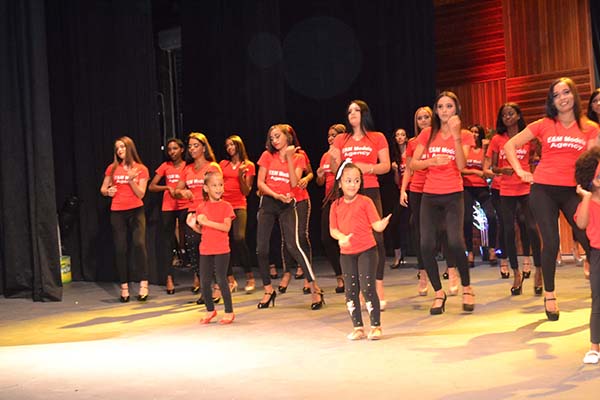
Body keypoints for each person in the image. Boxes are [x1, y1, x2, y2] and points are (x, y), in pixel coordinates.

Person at [504, 77, 599, 321]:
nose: (562, 98)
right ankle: (550, 294)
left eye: (566, 92)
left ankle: (595, 285)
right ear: (552, 101)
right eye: (556, 95)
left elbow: (592, 161)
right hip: (543, 189)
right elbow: (510, 145)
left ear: (574, 95)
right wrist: (520, 170)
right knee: (551, 241)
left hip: (572, 190)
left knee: (589, 238)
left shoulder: (589, 127)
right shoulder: (544, 124)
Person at [410, 91, 476, 314]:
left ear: (456, 109)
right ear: (436, 111)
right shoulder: (428, 133)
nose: (445, 110)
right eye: (441, 107)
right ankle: (439, 292)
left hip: (453, 194)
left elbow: (461, 166)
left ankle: (467, 287)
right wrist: (431, 161)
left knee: (456, 242)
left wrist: (456, 136)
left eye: (449, 106)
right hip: (430, 195)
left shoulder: (465, 135)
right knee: (426, 245)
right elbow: (413, 164)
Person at [330, 100, 391, 309]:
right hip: (348, 193)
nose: (352, 114)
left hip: (370, 189)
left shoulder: (377, 137)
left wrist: (368, 168)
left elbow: (385, 166)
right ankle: (362, 286)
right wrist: (333, 160)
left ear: (365, 113)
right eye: (349, 111)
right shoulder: (341, 139)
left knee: (377, 238)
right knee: (352, 238)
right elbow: (336, 171)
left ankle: (377, 285)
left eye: (356, 110)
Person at [255, 124, 324, 310]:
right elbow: (260, 183)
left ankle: (314, 288)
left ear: (287, 136)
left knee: (294, 245)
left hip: (287, 203)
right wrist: (275, 195)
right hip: (269, 202)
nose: (274, 140)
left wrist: (289, 159)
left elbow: (294, 183)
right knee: (261, 249)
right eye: (272, 138)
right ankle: (268, 290)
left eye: (278, 136)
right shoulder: (267, 156)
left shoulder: (298, 157)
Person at [329, 161, 391, 340]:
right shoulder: (335, 205)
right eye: (348, 181)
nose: (353, 185)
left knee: (367, 287)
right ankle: (358, 327)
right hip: (346, 254)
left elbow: (376, 225)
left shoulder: (366, 202)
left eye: (356, 181)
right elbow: (333, 230)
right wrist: (341, 237)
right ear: (340, 183)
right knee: (350, 290)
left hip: (367, 251)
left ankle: (376, 326)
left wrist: (382, 224)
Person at [489, 103, 541, 296]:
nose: (507, 117)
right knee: (509, 231)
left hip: (526, 187)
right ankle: (516, 273)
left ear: (519, 115)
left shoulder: (527, 137)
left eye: (511, 114)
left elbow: (537, 157)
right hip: (506, 189)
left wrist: (533, 171)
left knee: (532, 228)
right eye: (504, 115)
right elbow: (493, 167)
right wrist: (503, 170)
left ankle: (539, 271)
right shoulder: (497, 139)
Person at [100, 136, 150, 302]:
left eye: (122, 147)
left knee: (139, 244)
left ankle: (144, 283)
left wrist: (130, 181)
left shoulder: (141, 169)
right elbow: (103, 189)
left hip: (136, 210)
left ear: (130, 148)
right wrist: (108, 192)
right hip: (118, 211)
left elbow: (141, 194)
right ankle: (124, 286)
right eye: (117, 148)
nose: (120, 150)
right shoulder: (112, 168)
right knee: (120, 248)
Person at [174, 132, 221, 302]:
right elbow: (176, 191)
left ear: (204, 148)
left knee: (212, 251)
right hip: (193, 213)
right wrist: (182, 193)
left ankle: (218, 287)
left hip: (209, 213)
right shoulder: (187, 169)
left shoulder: (212, 167)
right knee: (195, 252)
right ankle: (204, 288)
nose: (192, 149)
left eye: (196, 145)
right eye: (190, 146)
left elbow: (219, 190)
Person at [186, 171, 236, 324]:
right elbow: (204, 231)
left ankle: (229, 311)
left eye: (220, 185)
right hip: (206, 249)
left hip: (222, 249)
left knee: (221, 280)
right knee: (205, 281)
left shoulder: (226, 206)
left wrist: (207, 222)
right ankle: (210, 310)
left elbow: (226, 227)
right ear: (206, 188)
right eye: (214, 185)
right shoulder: (201, 207)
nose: (218, 188)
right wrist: (193, 226)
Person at [401, 107, 433, 295]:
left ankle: (451, 268)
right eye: (419, 118)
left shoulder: (439, 139)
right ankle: (423, 273)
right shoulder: (413, 143)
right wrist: (403, 190)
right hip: (417, 189)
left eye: (426, 117)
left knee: (441, 229)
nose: (423, 120)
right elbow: (408, 169)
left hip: (436, 188)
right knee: (418, 230)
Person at [149, 138, 188, 295]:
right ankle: (169, 278)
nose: (172, 152)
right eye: (170, 149)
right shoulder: (165, 166)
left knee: (190, 240)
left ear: (182, 149)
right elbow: (152, 186)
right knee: (167, 243)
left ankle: (197, 277)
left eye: (175, 148)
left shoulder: (187, 166)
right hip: (168, 206)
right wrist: (166, 187)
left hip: (185, 205)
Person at [220, 135, 256, 294]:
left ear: (238, 146)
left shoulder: (248, 165)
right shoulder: (223, 164)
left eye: (232, 145)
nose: (229, 148)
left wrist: (241, 175)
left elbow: (246, 191)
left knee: (239, 238)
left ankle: (250, 277)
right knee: (224, 242)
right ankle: (230, 279)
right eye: (227, 145)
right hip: (224, 205)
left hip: (239, 204)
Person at [574, 147, 600, 364]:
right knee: (598, 300)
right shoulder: (588, 203)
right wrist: (586, 197)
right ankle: (594, 347)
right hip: (598, 255)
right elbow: (581, 223)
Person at [316, 123, 346, 293]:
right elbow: (320, 182)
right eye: (329, 135)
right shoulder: (325, 156)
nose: (330, 138)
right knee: (326, 239)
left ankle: (351, 274)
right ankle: (339, 275)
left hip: (343, 199)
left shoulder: (344, 153)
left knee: (344, 239)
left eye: (334, 135)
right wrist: (319, 176)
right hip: (328, 200)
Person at [461, 124, 496, 269]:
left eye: (476, 132)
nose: (474, 134)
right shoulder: (465, 149)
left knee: (491, 216)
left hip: (481, 187)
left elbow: (486, 169)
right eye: (472, 132)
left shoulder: (483, 150)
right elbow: (461, 169)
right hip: (467, 187)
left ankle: (492, 249)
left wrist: (486, 149)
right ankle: (470, 252)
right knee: (467, 219)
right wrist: (475, 172)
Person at [389, 128, 410, 269]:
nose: (400, 137)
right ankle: (398, 255)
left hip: (414, 190)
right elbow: (397, 182)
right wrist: (396, 171)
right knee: (394, 223)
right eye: (397, 135)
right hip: (401, 192)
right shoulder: (395, 157)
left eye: (403, 134)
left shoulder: (411, 153)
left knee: (415, 223)